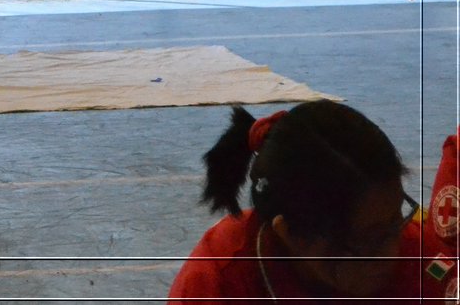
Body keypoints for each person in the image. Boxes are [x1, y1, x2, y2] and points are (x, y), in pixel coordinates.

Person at [168, 101, 458, 302]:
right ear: (289, 233)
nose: (392, 252)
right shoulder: (218, 282)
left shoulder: (424, 261)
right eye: (368, 242)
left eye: (396, 222)